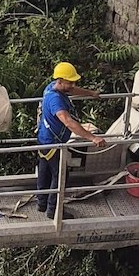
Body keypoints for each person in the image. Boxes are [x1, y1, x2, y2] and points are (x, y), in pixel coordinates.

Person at [37, 62, 106, 219]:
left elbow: (72, 89)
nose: (73, 85)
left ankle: (42, 203)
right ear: (60, 81)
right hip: (53, 144)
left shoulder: (52, 87)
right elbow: (68, 122)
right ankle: (53, 210)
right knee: (61, 175)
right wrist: (92, 137)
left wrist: (90, 93)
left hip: (44, 139)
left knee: (45, 172)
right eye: (70, 81)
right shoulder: (55, 100)